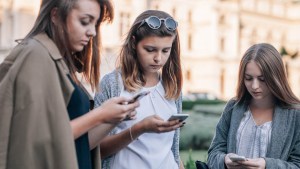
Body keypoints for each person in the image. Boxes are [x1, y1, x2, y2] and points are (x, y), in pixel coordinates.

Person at [0, 0, 139, 169]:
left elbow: (79, 143)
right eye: (84, 22)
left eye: (95, 24)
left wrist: (113, 117)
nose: (92, 32)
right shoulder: (36, 55)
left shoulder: (58, 61)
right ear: (55, 15)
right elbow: (37, 139)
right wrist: (100, 114)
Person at [94, 10, 185, 169]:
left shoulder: (172, 87)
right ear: (134, 43)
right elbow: (97, 149)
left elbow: (173, 151)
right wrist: (139, 128)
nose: (158, 58)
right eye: (150, 50)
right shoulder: (112, 84)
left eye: (165, 50)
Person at [207, 43, 300, 169]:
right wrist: (225, 161)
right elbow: (213, 155)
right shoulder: (233, 108)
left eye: (262, 79)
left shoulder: (295, 114)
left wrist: (267, 165)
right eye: (248, 78)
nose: (255, 86)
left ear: (276, 77)